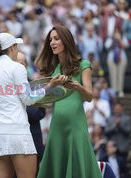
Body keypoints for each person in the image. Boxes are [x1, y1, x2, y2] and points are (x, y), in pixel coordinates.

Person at [0, 33, 66, 178]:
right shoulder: (17, 68)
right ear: (12, 47)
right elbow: (28, 99)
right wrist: (50, 85)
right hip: (18, 133)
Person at [35, 25, 102, 178]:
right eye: (51, 39)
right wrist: (36, 100)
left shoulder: (83, 64)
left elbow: (89, 96)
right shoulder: (54, 69)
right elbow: (49, 101)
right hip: (57, 123)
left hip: (75, 124)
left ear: (66, 41)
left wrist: (78, 87)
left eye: (56, 39)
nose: (52, 42)